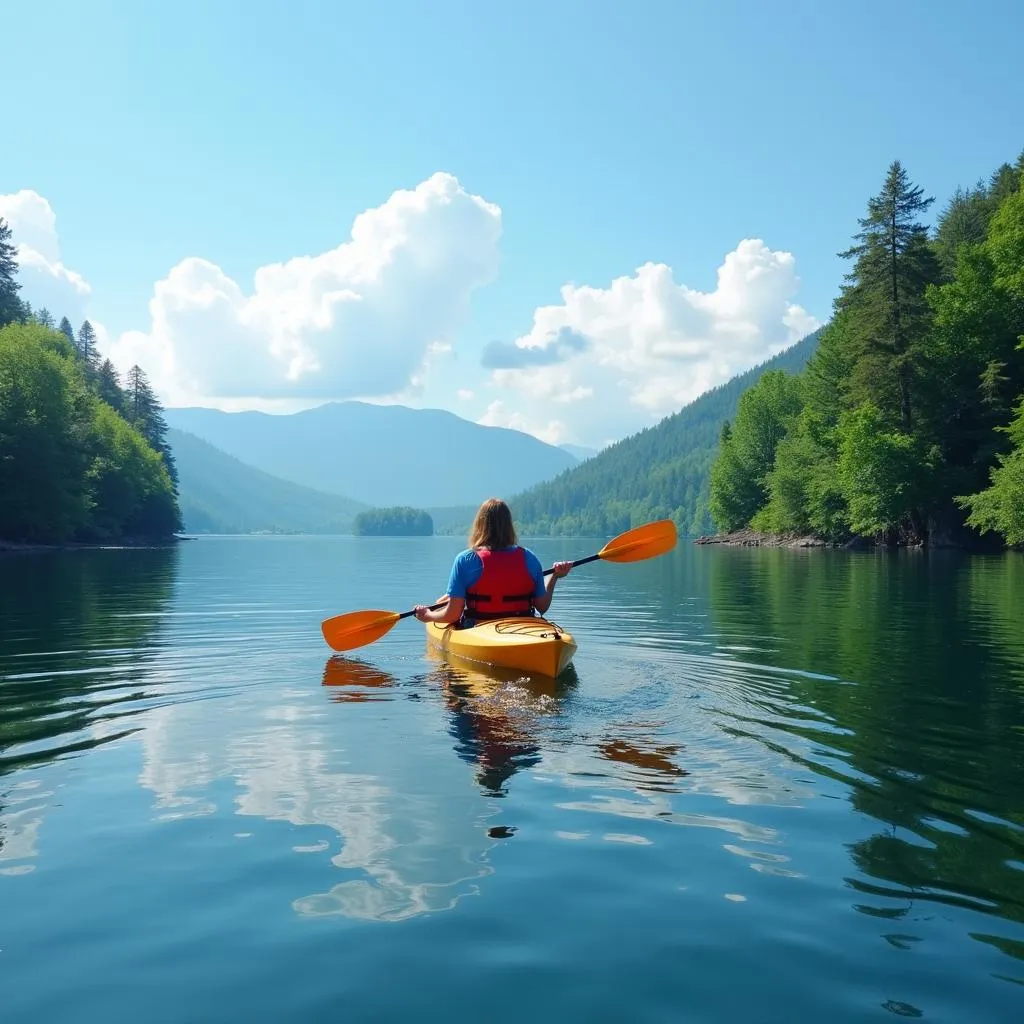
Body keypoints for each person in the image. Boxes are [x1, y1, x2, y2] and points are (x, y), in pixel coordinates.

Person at [414, 498, 572, 627]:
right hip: (524, 627)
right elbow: (542, 607)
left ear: (480, 525)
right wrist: (555, 577)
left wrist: (428, 615)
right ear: (509, 525)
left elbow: (452, 614)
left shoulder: (465, 560)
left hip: (480, 628)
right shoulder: (529, 558)